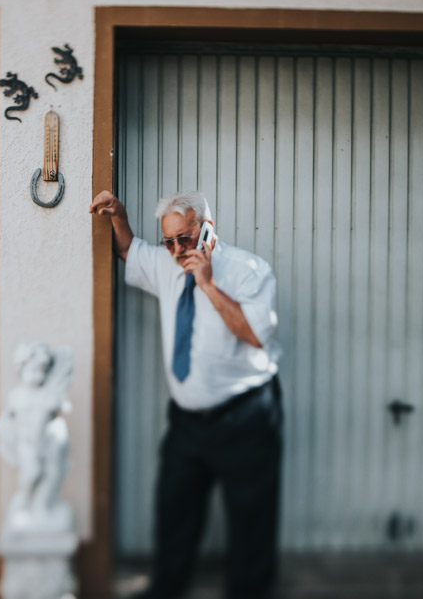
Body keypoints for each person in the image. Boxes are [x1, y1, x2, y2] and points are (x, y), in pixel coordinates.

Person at [89, 189, 284, 599]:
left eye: (186, 238)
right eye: (169, 240)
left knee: (251, 522)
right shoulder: (166, 262)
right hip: (188, 422)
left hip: (245, 416)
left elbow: (254, 334)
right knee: (175, 513)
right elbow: (128, 250)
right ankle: (167, 589)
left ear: (208, 229)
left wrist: (207, 284)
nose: (178, 249)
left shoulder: (250, 270)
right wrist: (119, 216)